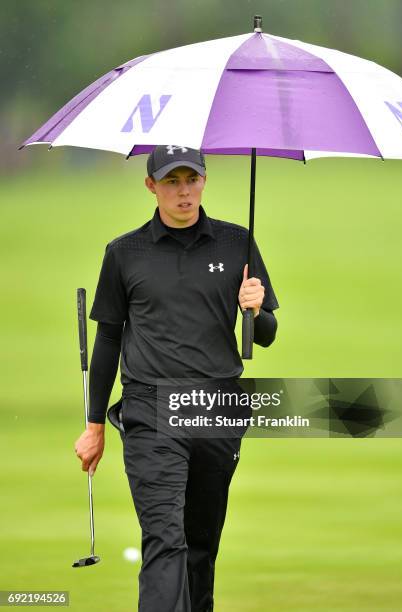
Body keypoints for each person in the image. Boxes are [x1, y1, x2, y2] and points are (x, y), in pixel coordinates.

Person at [74, 145, 279, 611]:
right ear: (152, 186)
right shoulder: (124, 253)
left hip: (218, 409)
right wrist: (94, 424)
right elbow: (108, 340)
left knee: (201, 542)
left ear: (205, 180)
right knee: (165, 538)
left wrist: (254, 308)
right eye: (172, 182)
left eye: (192, 179)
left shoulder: (237, 244)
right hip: (151, 410)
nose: (184, 191)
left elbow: (265, 334)